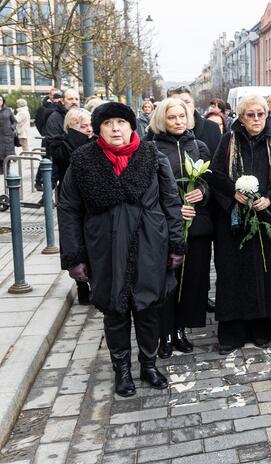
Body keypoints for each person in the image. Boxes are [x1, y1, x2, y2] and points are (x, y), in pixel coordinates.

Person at [58, 102, 184, 397]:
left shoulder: (151, 155)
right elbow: (68, 209)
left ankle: (149, 365)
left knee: (149, 309)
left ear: (131, 126)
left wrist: (176, 243)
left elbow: (171, 202)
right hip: (104, 247)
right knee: (115, 311)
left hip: (150, 245)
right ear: (98, 128)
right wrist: (74, 255)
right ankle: (122, 370)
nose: (116, 128)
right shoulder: (83, 160)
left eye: (121, 122)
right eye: (108, 123)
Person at [207, 96, 271, 354]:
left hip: (267, 220)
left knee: (267, 273)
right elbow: (215, 174)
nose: (256, 119)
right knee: (234, 275)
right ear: (241, 118)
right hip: (235, 222)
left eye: (260, 114)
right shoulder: (229, 141)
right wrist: (233, 193)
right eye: (250, 115)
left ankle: (263, 328)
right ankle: (233, 332)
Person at [146, 98, 213, 358]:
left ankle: (180, 330)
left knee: (191, 282)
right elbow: (148, 190)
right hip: (163, 228)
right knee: (166, 283)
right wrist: (173, 210)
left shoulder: (199, 146)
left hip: (195, 227)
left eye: (182, 117)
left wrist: (202, 192)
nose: (178, 122)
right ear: (162, 119)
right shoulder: (150, 148)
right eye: (172, 117)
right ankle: (163, 333)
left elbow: (210, 181)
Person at [49, 108, 93, 303]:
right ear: (71, 127)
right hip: (71, 200)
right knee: (73, 242)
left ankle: (92, 282)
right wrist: (76, 135)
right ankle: (81, 286)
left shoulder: (95, 141)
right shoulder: (62, 144)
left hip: (90, 200)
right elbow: (65, 157)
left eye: (90, 125)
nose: (89, 130)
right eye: (83, 126)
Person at [167, 86, 222, 155]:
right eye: (177, 103)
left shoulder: (212, 128)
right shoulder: (157, 131)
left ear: (193, 104)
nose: (183, 106)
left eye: (187, 102)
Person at [0, 95, 16, 172]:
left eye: (0, 100)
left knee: (7, 154)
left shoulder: (8, 110)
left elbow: (14, 121)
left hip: (7, 136)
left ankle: (7, 170)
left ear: (3, 101)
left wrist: (12, 128)